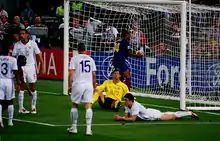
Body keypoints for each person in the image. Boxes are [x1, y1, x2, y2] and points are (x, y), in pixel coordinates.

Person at [12, 29, 45, 114]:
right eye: (20, 34)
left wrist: (43, 66)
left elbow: (39, 55)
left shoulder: (33, 44)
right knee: (21, 87)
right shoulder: (17, 45)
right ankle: (21, 108)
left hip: (31, 67)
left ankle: (33, 107)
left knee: (32, 87)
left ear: (27, 35)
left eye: (23, 33)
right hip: (21, 68)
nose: (21, 35)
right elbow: (14, 57)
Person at [67, 43, 96, 136]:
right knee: (88, 106)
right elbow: (94, 74)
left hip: (78, 84)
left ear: (77, 50)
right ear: (85, 49)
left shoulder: (74, 58)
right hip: (88, 84)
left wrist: (69, 86)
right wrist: (94, 86)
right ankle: (88, 129)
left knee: (75, 105)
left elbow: (71, 73)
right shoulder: (91, 59)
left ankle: (74, 127)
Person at [114, 93, 199, 122]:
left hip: (153, 115)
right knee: (167, 114)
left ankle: (189, 113)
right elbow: (126, 115)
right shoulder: (127, 105)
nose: (124, 101)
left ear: (131, 101)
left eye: (126, 100)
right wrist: (121, 117)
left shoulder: (135, 106)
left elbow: (133, 119)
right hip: (149, 112)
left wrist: (121, 119)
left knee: (173, 117)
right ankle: (185, 112)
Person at [0, 45, 18, 127]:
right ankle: (10, 121)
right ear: (8, 51)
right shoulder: (13, 59)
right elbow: (15, 71)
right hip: (8, 81)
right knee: (10, 101)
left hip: (0, 80)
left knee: (0, 101)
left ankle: (0, 119)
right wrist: (18, 83)